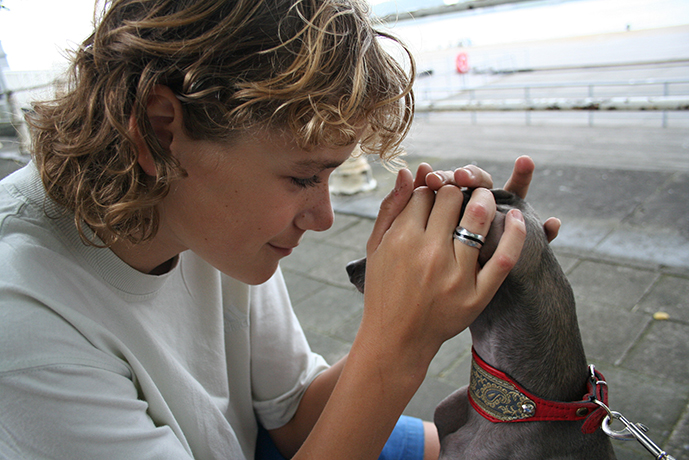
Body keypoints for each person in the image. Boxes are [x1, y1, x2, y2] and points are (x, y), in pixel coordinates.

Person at [0, 0, 558, 459]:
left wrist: (408, 306)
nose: (323, 218)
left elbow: (291, 418)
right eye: (302, 177)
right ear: (161, 127)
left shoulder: (204, 220)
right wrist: (403, 344)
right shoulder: (24, 314)